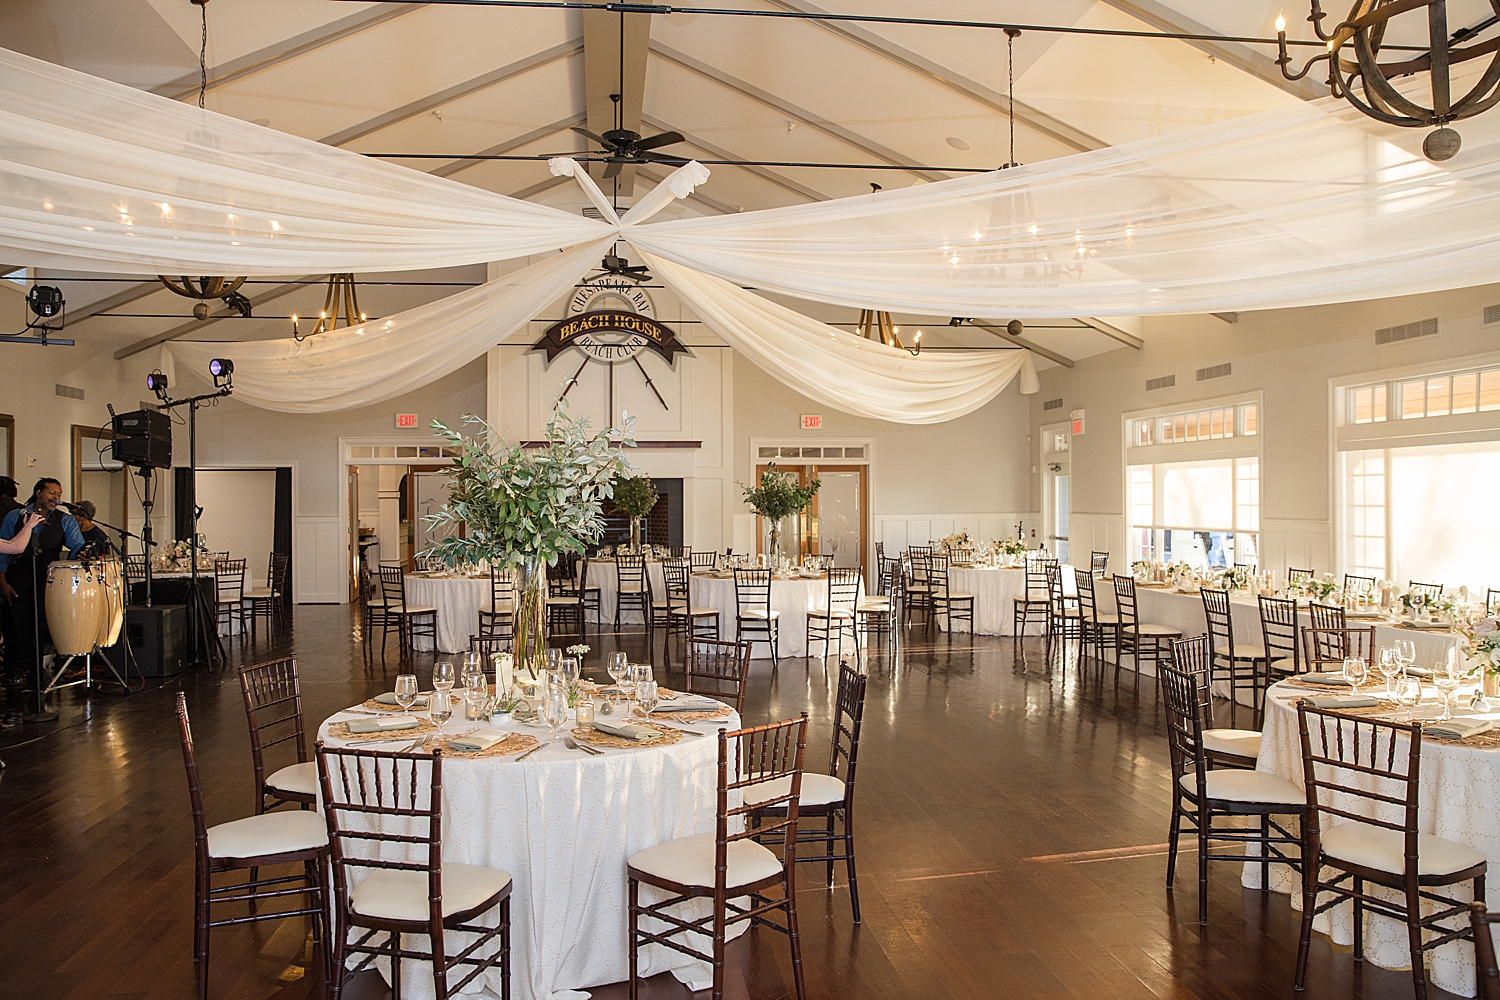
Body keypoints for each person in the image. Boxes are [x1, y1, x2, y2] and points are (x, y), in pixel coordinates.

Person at [0, 479, 85, 688]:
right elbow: (5, 550)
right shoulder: (15, 516)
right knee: (21, 627)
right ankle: (30, 672)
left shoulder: (65, 520)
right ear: (39, 493)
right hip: (19, 579)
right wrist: (2, 581)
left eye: (59, 493)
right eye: (52, 492)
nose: (56, 497)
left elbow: (77, 548)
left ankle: (43, 675)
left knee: (47, 627)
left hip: (50, 582)